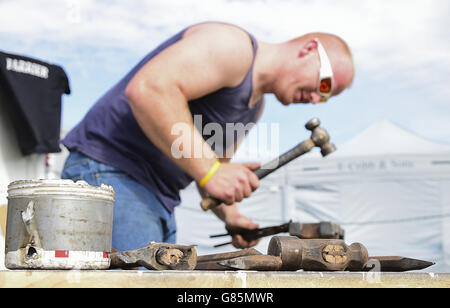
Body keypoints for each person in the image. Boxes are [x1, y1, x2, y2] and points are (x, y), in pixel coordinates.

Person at [61, 22, 354, 252]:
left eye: (327, 97)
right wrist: (209, 170)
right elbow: (149, 88)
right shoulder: (233, 47)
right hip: (110, 174)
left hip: (156, 197)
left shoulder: (254, 106)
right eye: (325, 84)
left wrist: (232, 216)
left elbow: (214, 169)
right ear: (310, 49)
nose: (317, 98)